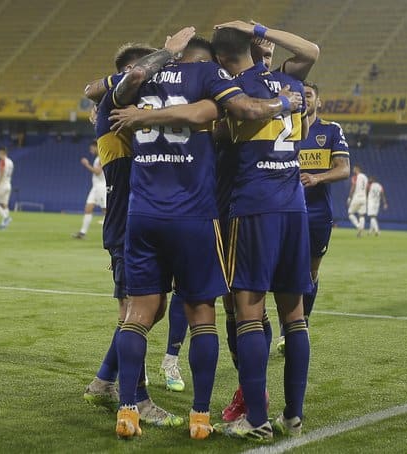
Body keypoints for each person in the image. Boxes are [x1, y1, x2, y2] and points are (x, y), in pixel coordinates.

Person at [108, 29, 302, 440]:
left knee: (137, 314)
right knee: (203, 316)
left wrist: (159, 63)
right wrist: (284, 99)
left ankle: (127, 409)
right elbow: (232, 111)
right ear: (208, 60)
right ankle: (199, 416)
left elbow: (112, 90)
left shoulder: (144, 78)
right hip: (194, 215)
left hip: (142, 214)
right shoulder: (209, 77)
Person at [208, 26, 310, 441]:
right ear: (257, 48)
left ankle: (255, 418)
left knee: (247, 313)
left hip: (253, 206)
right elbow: (312, 48)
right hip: (294, 207)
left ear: (220, 59)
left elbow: (234, 120)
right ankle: (294, 416)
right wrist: (261, 27)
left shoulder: (232, 88)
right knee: (295, 318)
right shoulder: (290, 82)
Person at [81, 42, 182, 430]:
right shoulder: (114, 106)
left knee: (150, 309)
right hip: (127, 223)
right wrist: (169, 52)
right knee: (133, 312)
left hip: (138, 219)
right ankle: (136, 397)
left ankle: (104, 381)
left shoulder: (127, 112)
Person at [275, 80, 350, 356]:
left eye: (309, 95)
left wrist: (317, 177)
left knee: (311, 271)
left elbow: (344, 169)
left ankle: (301, 321)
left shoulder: (330, 131)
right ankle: (287, 327)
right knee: (284, 271)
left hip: (317, 213)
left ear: (318, 101)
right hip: (284, 209)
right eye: (300, 94)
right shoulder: (281, 127)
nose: (304, 99)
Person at [73, 140, 107, 239]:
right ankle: (82, 233)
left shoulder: (101, 157)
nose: (91, 149)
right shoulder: (97, 158)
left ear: (97, 147)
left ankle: (113, 233)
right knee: (88, 208)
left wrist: (87, 164)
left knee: (106, 211)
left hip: (101, 187)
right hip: (95, 187)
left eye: (92, 147)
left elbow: (97, 172)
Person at [347, 164, 368, 237]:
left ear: (357, 169)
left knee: (350, 213)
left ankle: (358, 226)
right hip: (364, 198)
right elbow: (367, 188)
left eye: (354, 168)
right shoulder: (365, 177)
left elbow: (353, 186)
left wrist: (349, 197)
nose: (353, 170)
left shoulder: (356, 177)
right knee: (361, 215)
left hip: (357, 197)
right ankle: (360, 232)